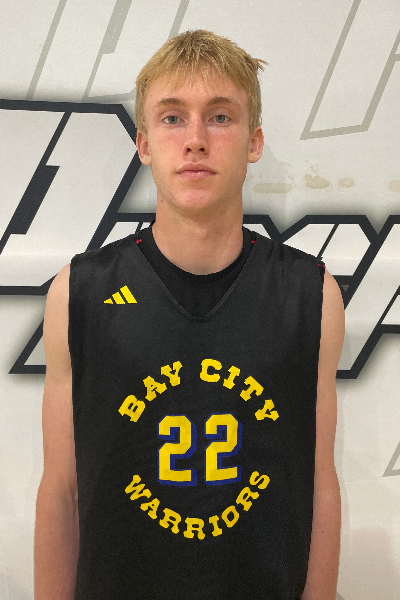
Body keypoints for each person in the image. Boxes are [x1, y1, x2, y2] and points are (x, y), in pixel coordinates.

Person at [34, 30, 344, 600]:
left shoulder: (311, 294)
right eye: (173, 118)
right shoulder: (78, 293)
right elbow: (61, 493)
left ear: (254, 141)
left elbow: (319, 483)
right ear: (144, 143)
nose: (196, 140)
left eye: (220, 117)